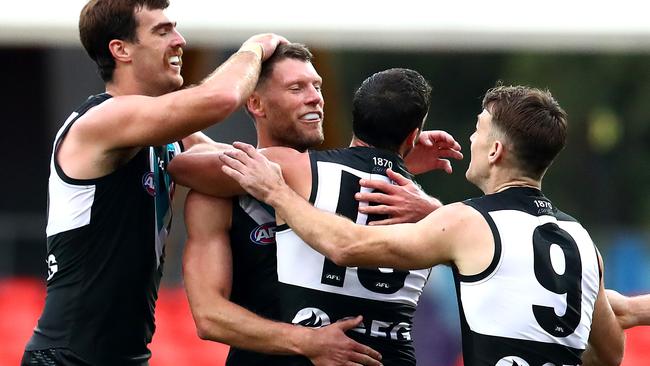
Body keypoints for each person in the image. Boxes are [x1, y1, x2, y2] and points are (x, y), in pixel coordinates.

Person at [218, 85, 626, 366]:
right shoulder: (582, 240)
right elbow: (610, 352)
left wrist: (276, 192)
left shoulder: (466, 221)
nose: (471, 139)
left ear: (496, 150)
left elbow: (347, 246)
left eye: (479, 131)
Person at [22, 0, 289, 364]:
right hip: (69, 355)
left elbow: (247, 169)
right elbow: (221, 97)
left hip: (126, 355)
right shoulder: (102, 119)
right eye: (162, 31)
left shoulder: (168, 134)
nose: (179, 40)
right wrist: (256, 47)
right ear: (121, 49)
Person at [170, 68, 461, 365]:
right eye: (296, 88)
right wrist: (397, 158)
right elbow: (208, 318)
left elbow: (181, 163)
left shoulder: (298, 171)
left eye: (318, 86)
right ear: (256, 103)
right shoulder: (426, 207)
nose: (314, 98)